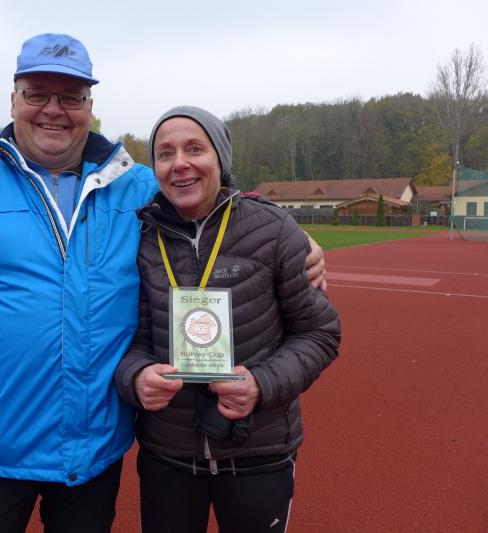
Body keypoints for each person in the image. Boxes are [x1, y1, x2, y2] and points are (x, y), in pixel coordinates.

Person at [0, 35, 328, 533]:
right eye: (38, 93)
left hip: (91, 450)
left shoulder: (139, 187)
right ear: (14, 100)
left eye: (71, 97)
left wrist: (288, 229)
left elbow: (215, 203)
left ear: (89, 106)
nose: (53, 110)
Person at [114, 106, 341, 533]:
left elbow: (319, 332)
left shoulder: (274, 231)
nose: (180, 163)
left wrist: (261, 384)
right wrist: (137, 376)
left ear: (221, 159)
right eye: (165, 153)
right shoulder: (140, 240)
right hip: (168, 454)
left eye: (194, 149)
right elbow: (131, 339)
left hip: (258, 452)